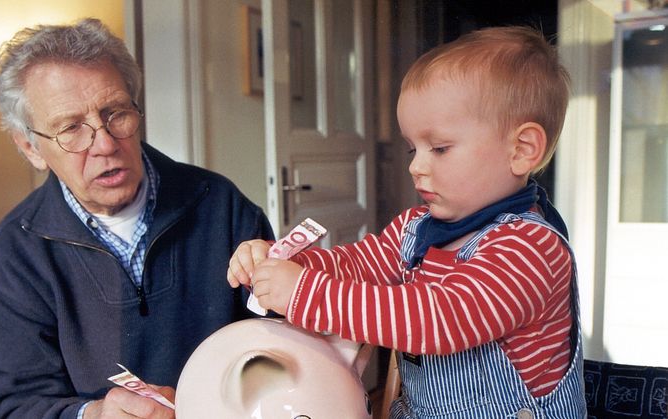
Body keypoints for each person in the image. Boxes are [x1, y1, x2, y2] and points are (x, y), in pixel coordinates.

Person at [228, 26, 587, 418]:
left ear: (521, 150)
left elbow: (440, 318)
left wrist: (305, 294)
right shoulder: (414, 227)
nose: (415, 166)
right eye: (413, 148)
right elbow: (357, 266)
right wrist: (286, 266)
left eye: (440, 148)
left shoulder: (530, 249)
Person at [0, 18, 273, 419]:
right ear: (30, 148)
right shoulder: (15, 252)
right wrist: (92, 415)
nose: (104, 144)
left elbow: (279, 344)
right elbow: (15, 406)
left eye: (116, 113)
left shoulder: (221, 205)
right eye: (71, 129)